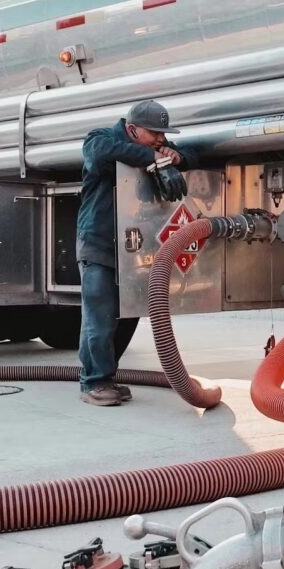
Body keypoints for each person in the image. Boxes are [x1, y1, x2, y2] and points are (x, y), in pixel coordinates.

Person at [76, 99, 195, 406]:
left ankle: (107, 377)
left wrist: (176, 156)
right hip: (98, 244)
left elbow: (193, 155)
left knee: (125, 315)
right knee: (99, 318)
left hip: (131, 247)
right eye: (154, 133)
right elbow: (101, 154)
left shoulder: (157, 145)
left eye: (163, 135)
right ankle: (94, 383)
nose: (160, 139)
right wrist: (150, 155)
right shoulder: (100, 139)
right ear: (132, 129)